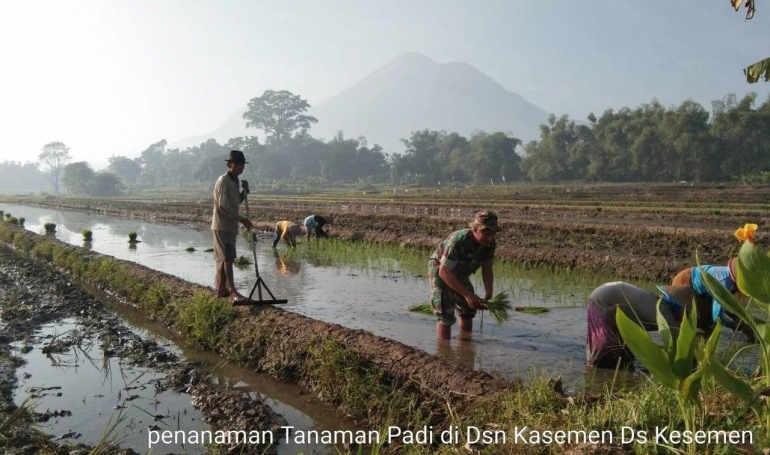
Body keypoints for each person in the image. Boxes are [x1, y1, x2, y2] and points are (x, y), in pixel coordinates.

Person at [586, 281, 712, 369]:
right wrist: (693, 360)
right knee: (605, 347)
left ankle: (619, 368)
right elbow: (675, 341)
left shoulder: (659, 303)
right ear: (680, 309)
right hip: (603, 299)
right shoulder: (662, 309)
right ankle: (596, 370)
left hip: (613, 296)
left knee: (625, 350)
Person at [429, 210, 499, 340]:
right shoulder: (458, 240)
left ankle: (465, 345)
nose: (490, 237)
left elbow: (487, 268)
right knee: (445, 313)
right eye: (487, 233)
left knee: (468, 309)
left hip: (460, 273)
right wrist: (467, 294)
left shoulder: (489, 244)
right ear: (475, 229)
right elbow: (444, 272)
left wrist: (489, 292)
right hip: (441, 271)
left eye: (493, 234)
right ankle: (444, 353)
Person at [669, 258, 753, 339]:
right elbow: (716, 317)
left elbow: (725, 304)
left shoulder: (729, 280)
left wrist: (737, 318)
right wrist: (734, 326)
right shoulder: (724, 284)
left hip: (702, 289)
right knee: (703, 323)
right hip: (685, 282)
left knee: (707, 322)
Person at [211, 150, 253, 304]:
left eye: (243, 164)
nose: (242, 167)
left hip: (230, 225)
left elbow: (235, 203)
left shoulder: (235, 182)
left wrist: (244, 192)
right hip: (222, 225)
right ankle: (233, 291)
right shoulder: (223, 181)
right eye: (239, 164)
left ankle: (221, 289)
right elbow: (223, 206)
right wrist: (241, 219)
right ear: (230, 164)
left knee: (224, 258)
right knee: (228, 258)